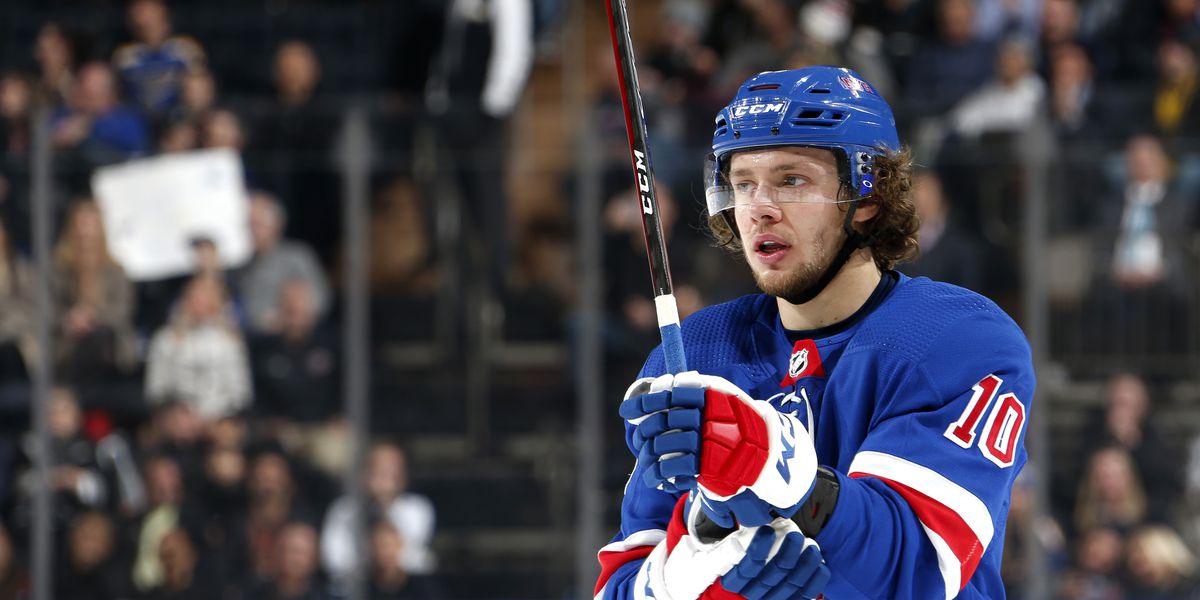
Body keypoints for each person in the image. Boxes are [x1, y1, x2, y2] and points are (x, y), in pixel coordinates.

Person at [597, 66, 1035, 600]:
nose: (759, 208)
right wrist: (682, 576)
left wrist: (785, 475)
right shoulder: (694, 354)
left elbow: (916, 572)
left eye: (791, 180)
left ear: (867, 195)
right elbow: (618, 587)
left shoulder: (958, 340)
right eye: (742, 184)